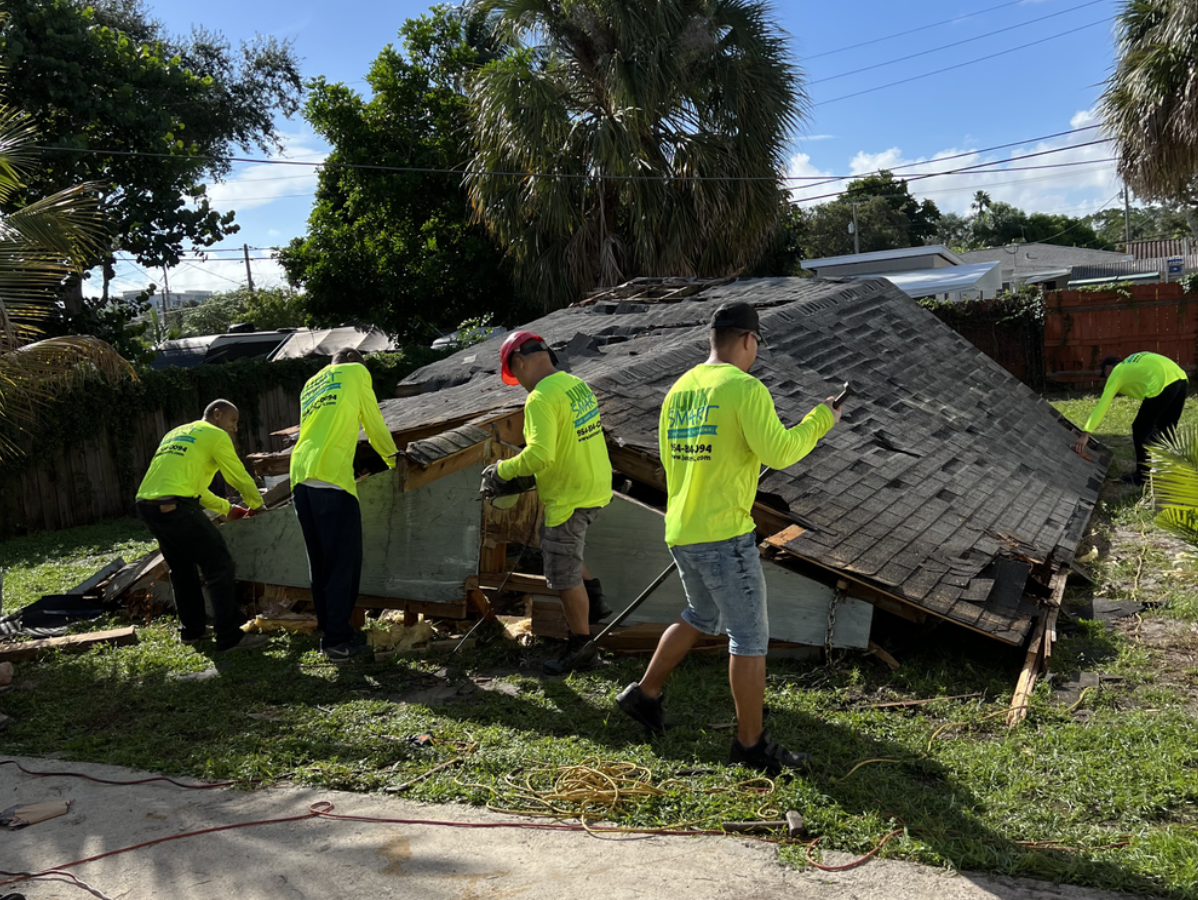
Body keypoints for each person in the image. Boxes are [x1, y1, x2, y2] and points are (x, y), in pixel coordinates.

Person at [615, 302, 840, 776]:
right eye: (757, 343)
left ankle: (644, 695)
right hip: (723, 535)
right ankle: (750, 745)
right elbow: (781, 450)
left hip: (681, 528)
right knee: (749, 636)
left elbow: (677, 458)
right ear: (748, 340)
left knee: (701, 613)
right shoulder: (744, 388)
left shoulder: (680, 389)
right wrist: (821, 419)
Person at [481, 330, 613, 675]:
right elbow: (568, 442)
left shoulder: (540, 398)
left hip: (569, 497)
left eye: (516, 374)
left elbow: (539, 454)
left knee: (562, 573)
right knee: (562, 548)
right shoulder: (575, 384)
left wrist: (503, 470)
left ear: (520, 363)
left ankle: (581, 646)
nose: (521, 383)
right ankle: (595, 600)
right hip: (595, 487)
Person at [290, 348, 399, 662]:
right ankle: (338, 641)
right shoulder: (356, 373)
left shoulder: (311, 383)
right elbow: (374, 422)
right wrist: (395, 461)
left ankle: (331, 632)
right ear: (359, 366)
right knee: (343, 564)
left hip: (301, 476)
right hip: (332, 478)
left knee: (320, 563)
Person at [136, 399, 268, 652]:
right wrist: (257, 504)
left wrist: (229, 509)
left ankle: (192, 631)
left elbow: (195, 490)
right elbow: (237, 474)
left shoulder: (177, 432)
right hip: (174, 506)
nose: (235, 429)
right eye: (233, 421)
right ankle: (229, 636)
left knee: (182, 568)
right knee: (219, 565)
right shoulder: (215, 435)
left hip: (148, 505)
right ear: (217, 415)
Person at [1073, 352, 1188, 486]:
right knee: (1166, 427)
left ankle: (1142, 476)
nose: (1106, 378)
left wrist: (1086, 433)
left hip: (1161, 383)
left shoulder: (1117, 372)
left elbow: (1102, 405)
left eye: (1105, 375)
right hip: (1181, 378)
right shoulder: (1131, 362)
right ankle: (1170, 470)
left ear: (1108, 368)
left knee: (1140, 428)